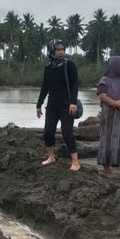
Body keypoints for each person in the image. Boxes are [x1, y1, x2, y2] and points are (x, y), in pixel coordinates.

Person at [36, 39, 81, 171]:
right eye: (58, 50)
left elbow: (75, 85)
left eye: (62, 49)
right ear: (52, 51)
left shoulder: (69, 65)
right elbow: (45, 87)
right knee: (48, 132)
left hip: (67, 104)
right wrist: (39, 105)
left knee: (67, 132)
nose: (61, 52)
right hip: (52, 104)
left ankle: (75, 162)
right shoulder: (48, 67)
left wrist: (73, 102)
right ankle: (51, 156)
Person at [96, 56, 120, 180]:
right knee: (107, 142)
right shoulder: (105, 80)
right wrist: (118, 105)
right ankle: (107, 170)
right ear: (114, 66)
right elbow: (103, 97)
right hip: (109, 118)